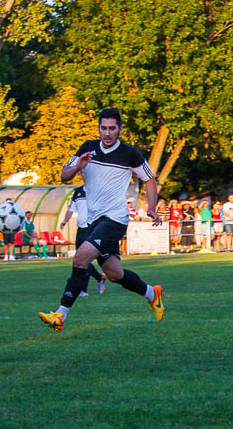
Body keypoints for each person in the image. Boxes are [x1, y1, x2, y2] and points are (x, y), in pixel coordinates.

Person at [38, 107, 164, 331]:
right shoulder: (87, 147)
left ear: (120, 129)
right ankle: (152, 294)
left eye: (112, 128)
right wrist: (78, 166)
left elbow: (150, 179)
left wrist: (152, 208)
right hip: (94, 221)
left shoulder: (129, 154)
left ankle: (60, 315)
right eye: (103, 128)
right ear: (98, 128)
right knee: (115, 274)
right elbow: (64, 175)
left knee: (81, 257)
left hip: (115, 219)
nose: (107, 133)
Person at [60, 186, 108, 297]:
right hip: (81, 229)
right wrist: (64, 221)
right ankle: (99, 278)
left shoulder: (98, 188)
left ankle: (83, 290)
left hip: (92, 228)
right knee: (80, 259)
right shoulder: (78, 191)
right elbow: (71, 209)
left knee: (84, 259)